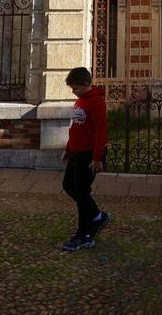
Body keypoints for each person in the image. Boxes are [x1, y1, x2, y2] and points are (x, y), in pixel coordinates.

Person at [60, 66, 110, 251]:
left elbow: (101, 132)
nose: (74, 92)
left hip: (89, 154)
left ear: (86, 84)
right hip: (77, 152)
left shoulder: (96, 102)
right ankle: (97, 215)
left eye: (77, 88)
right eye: (72, 89)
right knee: (68, 185)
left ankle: (85, 235)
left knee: (81, 192)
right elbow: (76, 128)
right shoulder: (80, 101)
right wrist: (68, 148)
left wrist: (97, 158)